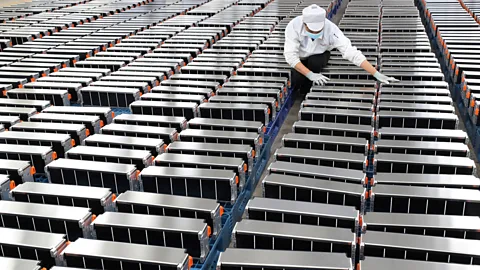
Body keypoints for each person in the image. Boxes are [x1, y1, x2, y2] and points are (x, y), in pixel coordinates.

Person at [284, 4, 398, 94]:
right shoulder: (293, 26)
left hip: (320, 54)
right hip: (300, 56)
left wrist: (376, 73)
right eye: (312, 31)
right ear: (305, 24)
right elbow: (291, 56)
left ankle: (308, 92)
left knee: (315, 63)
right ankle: (302, 87)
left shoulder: (331, 30)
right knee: (297, 78)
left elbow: (350, 51)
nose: (315, 33)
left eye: (318, 31)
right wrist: (309, 74)